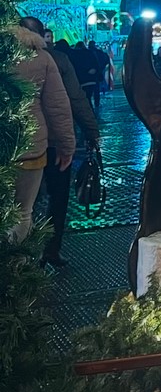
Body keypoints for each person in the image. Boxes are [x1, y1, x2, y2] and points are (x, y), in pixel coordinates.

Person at [21, 19, 100, 268]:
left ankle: (20, 258)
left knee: (22, 204)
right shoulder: (54, 60)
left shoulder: (7, 60)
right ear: (42, 35)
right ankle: (51, 250)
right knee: (57, 198)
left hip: (21, 145)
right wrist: (90, 131)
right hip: (54, 143)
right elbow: (70, 101)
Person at [6, 23, 74, 242]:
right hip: (30, 147)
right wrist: (66, 146)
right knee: (23, 212)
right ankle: (18, 267)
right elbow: (57, 107)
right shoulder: (41, 57)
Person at [70, 39, 101, 112]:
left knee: (86, 99)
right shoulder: (90, 53)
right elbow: (97, 65)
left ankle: (90, 115)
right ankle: (93, 112)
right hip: (92, 80)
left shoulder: (74, 55)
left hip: (81, 80)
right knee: (89, 96)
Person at [88, 39, 114, 108]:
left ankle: (90, 104)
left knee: (89, 90)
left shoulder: (88, 53)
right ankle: (97, 103)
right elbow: (106, 59)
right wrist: (101, 67)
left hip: (89, 74)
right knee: (97, 88)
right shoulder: (99, 52)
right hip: (98, 72)